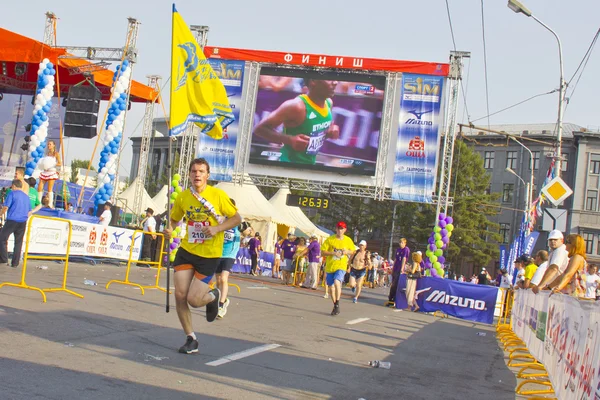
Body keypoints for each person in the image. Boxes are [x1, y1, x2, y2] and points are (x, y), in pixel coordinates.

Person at [164, 158, 241, 354]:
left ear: (207, 175)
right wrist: (169, 229)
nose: (197, 174)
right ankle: (191, 338)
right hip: (187, 251)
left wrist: (217, 228)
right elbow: (174, 219)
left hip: (209, 255)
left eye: (201, 171)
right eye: (193, 171)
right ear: (189, 174)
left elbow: (236, 218)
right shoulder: (183, 197)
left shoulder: (218, 195)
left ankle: (213, 296)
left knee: (194, 300)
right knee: (180, 295)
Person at [253, 79, 340, 165]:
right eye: (329, 79)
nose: (335, 82)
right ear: (313, 81)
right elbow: (259, 129)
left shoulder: (328, 103)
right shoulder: (296, 106)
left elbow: (313, 135)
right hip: (288, 166)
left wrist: (328, 133)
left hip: (309, 166)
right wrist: (290, 140)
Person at [216, 200, 249, 319]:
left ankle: (220, 306)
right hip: (218, 252)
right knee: (218, 280)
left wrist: (243, 228)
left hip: (230, 254)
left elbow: (247, 233)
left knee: (224, 279)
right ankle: (223, 300)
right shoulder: (220, 218)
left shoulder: (237, 219)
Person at [321, 221, 355, 316]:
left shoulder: (348, 240)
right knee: (331, 288)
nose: (340, 230)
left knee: (337, 282)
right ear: (336, 229)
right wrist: (333, 253)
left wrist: (347, 251)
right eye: (338, 228)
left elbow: (353, 251)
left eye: (342, 229)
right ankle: (335, 305)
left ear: (345, 230)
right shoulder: (330, 240)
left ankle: (338, 302)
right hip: (330, 266)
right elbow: (322, 252)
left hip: (341, 266)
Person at [0, 180, 31, 268]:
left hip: (12, 220)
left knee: (2, 238)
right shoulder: (26, 196)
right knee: (18, 242)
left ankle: (3, 258)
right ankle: (15, 263)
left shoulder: (12, 193)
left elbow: (6, 207)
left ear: (14, 186)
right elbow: (30, 211)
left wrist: (0, 214)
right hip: (22, 221)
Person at [532, 230, 569, 294]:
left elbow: (553, 268)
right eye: (550, 240)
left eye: (555, 240)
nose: (552, 242)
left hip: (559, 288)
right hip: (557, 287)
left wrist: (540, 285)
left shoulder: (559, 251)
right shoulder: (555, 252)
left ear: (561, 240)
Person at [37, 139, 61, 207]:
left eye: (50, 144)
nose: (49, 145)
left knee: (49, 188)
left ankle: (50, 203)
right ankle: (38, 202)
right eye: (48, 144)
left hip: (51, 172)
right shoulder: (47, 153)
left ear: (53, 145)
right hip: (45, 172)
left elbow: (59, 163)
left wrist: (52, 164)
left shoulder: (56, 154)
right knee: (40, 187)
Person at [387, 238, 410, 307]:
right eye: (400, 243)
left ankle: (394, 299)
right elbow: (396, 259)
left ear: (405, 243)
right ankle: (390, 299)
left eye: (402, 243)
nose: (400, 244)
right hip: (396, 268)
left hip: (400, 268)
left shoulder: (406, 249)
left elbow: (404, 258)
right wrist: (393, 268)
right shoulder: (398, 250)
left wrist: (402, 268)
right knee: (393, 284)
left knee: (395, 284)